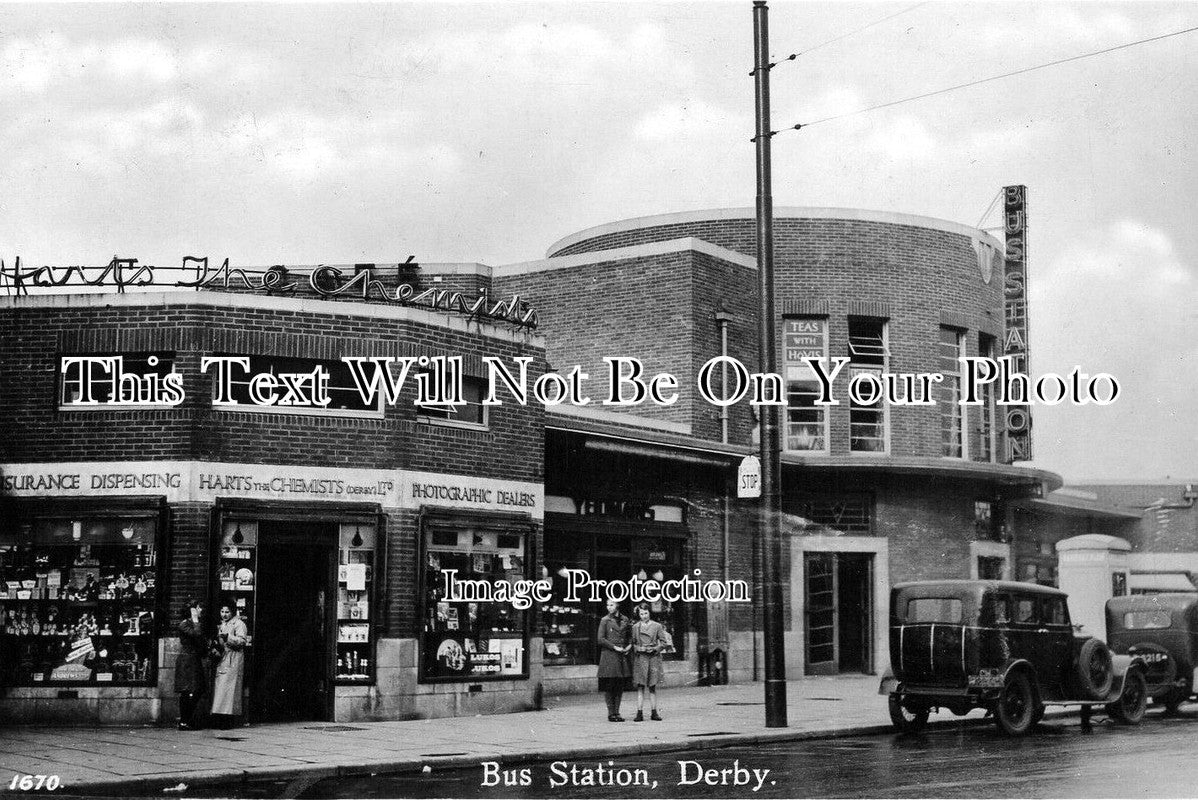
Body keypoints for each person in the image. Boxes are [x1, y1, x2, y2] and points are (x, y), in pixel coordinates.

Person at [210, 600, 249, 729]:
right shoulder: (222, 624)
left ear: (232, 612)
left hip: (233, 658)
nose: (224, 614)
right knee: (221, 690)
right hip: (223, 657)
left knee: (229, 690)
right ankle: (220, 717)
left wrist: (228, 638)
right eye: (222, 611)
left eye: (227, 612)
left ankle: (227, 719)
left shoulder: (239, 624)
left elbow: (242, 641)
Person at [630, 603, 672, 721]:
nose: (644, 616)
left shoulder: (657, 626)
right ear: (639, 615)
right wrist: (639, 648)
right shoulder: (635, 627)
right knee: (640, 686)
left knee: (652, 686)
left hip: (653, 658)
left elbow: (664, 643)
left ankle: (654, 712)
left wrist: (655, 648)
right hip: (641, 658)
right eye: (641, 614)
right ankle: (639, 713)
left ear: (649, 613)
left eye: (646, 613)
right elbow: (632, 643)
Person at [174, 599, 209, 730]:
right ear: (192, 610)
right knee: (187, 690)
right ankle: (184, 721)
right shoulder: (184, 624)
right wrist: (195, 620)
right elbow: (197, 634)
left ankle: (187, 719)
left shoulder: (194, 623)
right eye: (198, 608)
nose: (201, 610)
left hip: (194, 659)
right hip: (187, 660)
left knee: (198, 689)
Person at [596, 599, 631, 722]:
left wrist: (629, 646)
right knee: (610, 685)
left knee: (619, 685)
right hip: (609, 655)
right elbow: (600, 639)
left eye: (612, 605)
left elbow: (629, 636)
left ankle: (617, 712)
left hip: (621, 655)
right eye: (607, 605)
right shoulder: (605, 620)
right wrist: (613, 646)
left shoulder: (625, 619)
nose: (609, 607)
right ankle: (611, 713)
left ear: (618, 605)